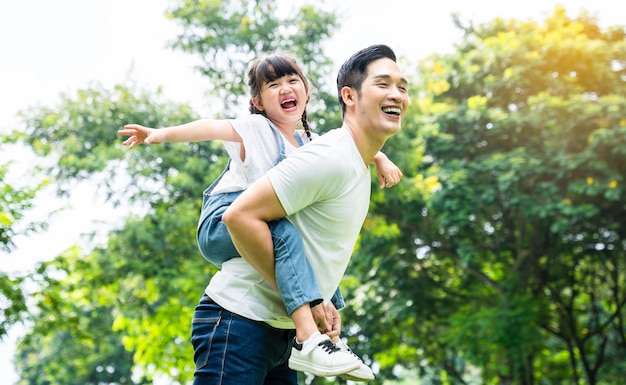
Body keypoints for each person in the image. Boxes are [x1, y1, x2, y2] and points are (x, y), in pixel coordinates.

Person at [118, 51, 403, 382]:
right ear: (257, 100)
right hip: (221, 223)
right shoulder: (256, 128)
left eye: (293, 80)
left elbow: (351, 148)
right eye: (273, 84)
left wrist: (378, 157)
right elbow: (211, 127)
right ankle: (310, 337)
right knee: (284, 233)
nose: (285, 89)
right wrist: (160, 134)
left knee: (296, 237)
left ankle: (324, 332)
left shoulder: (310, 144)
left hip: (277, 333)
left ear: (307, 90)